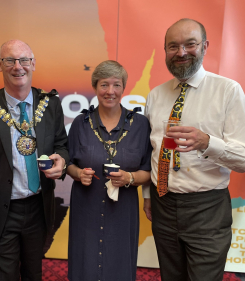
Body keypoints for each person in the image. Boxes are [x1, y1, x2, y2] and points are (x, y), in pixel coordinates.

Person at [143, 18, 245, 281]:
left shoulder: (227, 91)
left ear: (205, 46)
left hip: (207, 208)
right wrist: (148, 194)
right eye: (173, 46)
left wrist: (208, 142)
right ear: (165, 51)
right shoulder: (155, 95)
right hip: (163, 204)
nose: (181, 52)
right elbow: (151, 151)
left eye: (190, 44)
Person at [0, 39, 69, 281]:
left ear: (33, 63)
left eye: (24, 60)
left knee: (34, 273)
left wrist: (62, 162)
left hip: (39, 206)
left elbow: (61, 146)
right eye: (10, 60)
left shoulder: (51, 104)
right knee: (5, 276)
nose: (18, 66)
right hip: (1, 208)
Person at [67, 60, 152, 281]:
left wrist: (129, 177)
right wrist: (77, 174)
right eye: (104, 85)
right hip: (86, 209)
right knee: (84, 265)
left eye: (116, 85)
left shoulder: (141, 125)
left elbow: (149, 171)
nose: (110, 91)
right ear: (95, 87)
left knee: (119, 267)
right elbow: (68, 163)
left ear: (124, 88)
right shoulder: (80, 123)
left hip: (123, 212)